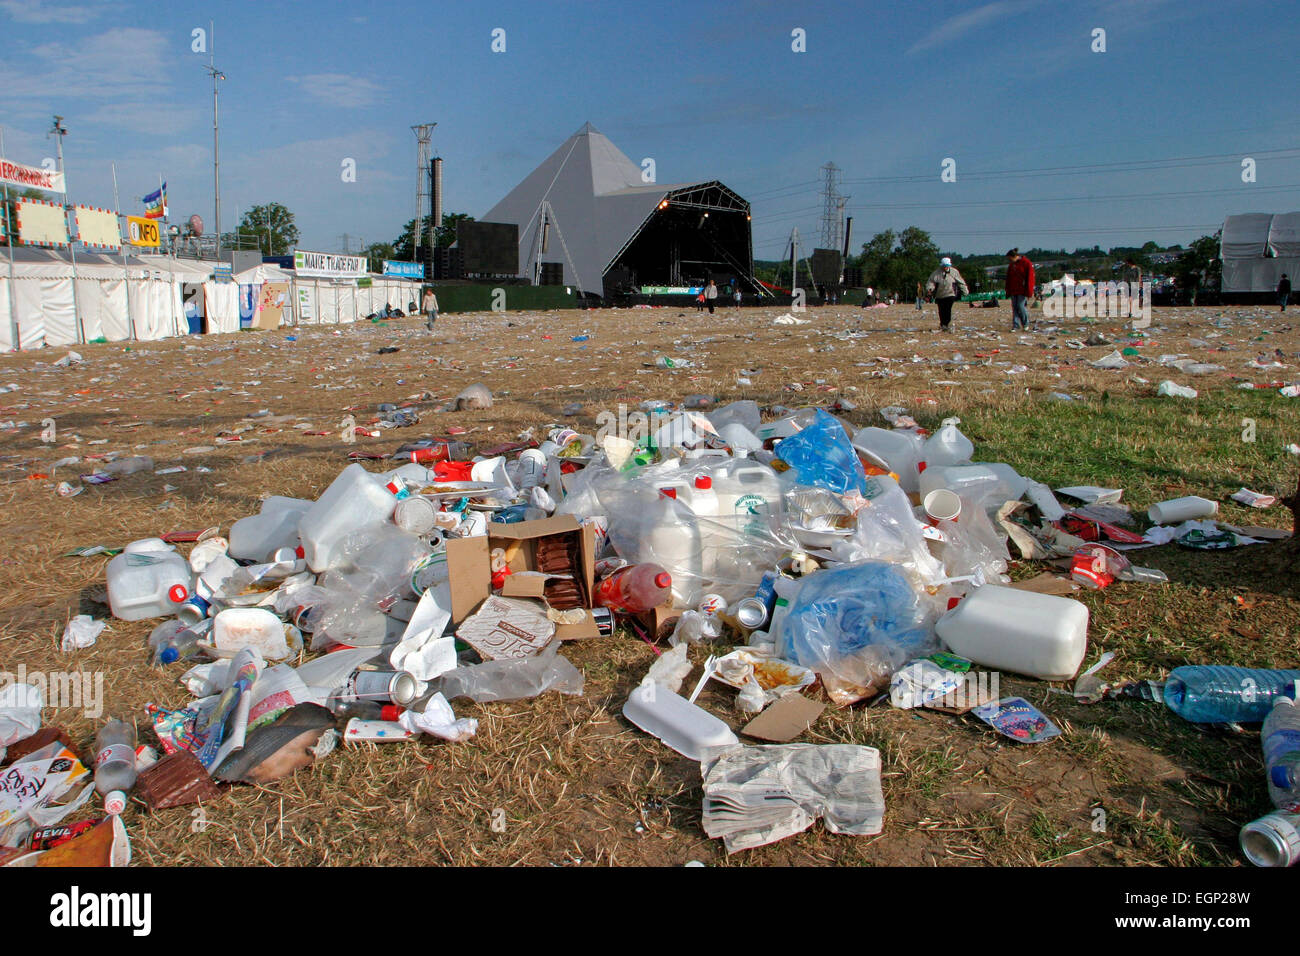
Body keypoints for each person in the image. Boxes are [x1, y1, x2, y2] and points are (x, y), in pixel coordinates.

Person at [924, 257, 968, 333]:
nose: (945, 267)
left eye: (947, 265)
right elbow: (930, 282)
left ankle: (947, 324)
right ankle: (943, 324)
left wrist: (965, 291)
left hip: (950, 294)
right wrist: (930, 289)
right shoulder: (936, 273)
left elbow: (961, 282)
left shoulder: (954, 272)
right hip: (939, 295)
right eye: (944, 266)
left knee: (948, 308)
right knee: (941, 310)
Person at [1005, 248, 1036, 331]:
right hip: (1013, 290)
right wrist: (1007, 290)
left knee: (1020, 306)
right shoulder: (1011, 265)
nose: (1009, 260)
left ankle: (1025, 324)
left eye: (1010, 258)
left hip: (1022, 290)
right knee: (1014, 307)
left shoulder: (1027, 263)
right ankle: (1015, 325)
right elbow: (1008, 278)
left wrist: (1029, 291)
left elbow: (1030, 278)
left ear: (1014, 256)